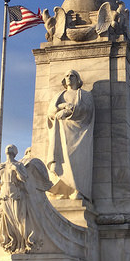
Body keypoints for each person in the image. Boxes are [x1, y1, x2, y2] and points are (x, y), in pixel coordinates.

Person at [46, 70, 95, 200]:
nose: (69, 78)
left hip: (79, 134)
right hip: (60, 133)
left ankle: (78, 190)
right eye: (66, 76)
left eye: (72, 75)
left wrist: (70, 110)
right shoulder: (59, 95)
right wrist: (62, 107)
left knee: (77, 161)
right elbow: (51, 111)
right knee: (61, 163)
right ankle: (61, 192)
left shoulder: (84, 95)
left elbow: (87, 110)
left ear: (77, 79)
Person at [0, 144, 33, 253]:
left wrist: (17, 169)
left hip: (15, 194)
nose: (8, 148)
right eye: (7, 147)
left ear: (15, 152)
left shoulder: (19, 164)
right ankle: (13, 244)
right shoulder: (1, 166)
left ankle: (22, 244)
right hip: (4, 195)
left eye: (11, 147)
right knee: (9, 220)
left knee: (18, 219)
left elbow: (24, 178)